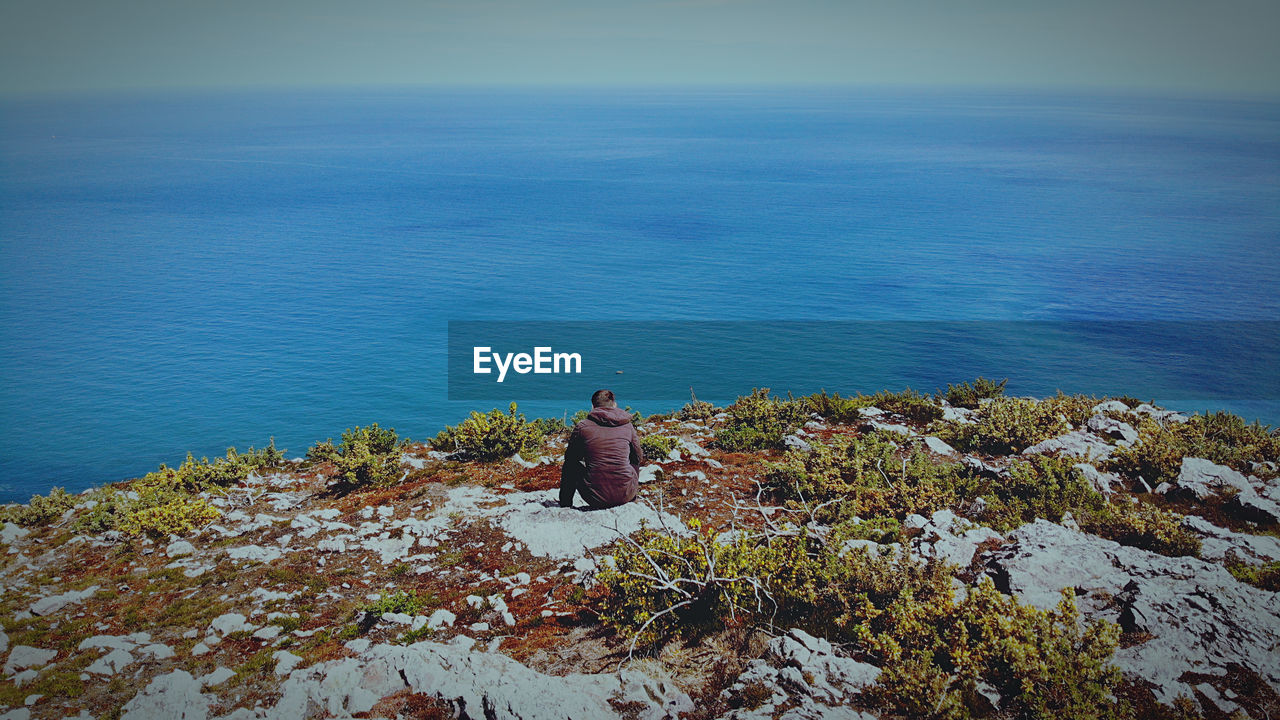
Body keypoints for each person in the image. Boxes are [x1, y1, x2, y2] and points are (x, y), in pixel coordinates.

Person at [559, 389, 643, 509]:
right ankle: (632, 497)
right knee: (634, 460)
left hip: (594, 497)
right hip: (626, 495)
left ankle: (565, 505)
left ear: (593, 406)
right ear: (614, 404)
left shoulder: (583, 426)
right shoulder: (627, 426)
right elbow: (638, 457)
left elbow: (571, 458)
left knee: (570, 465)